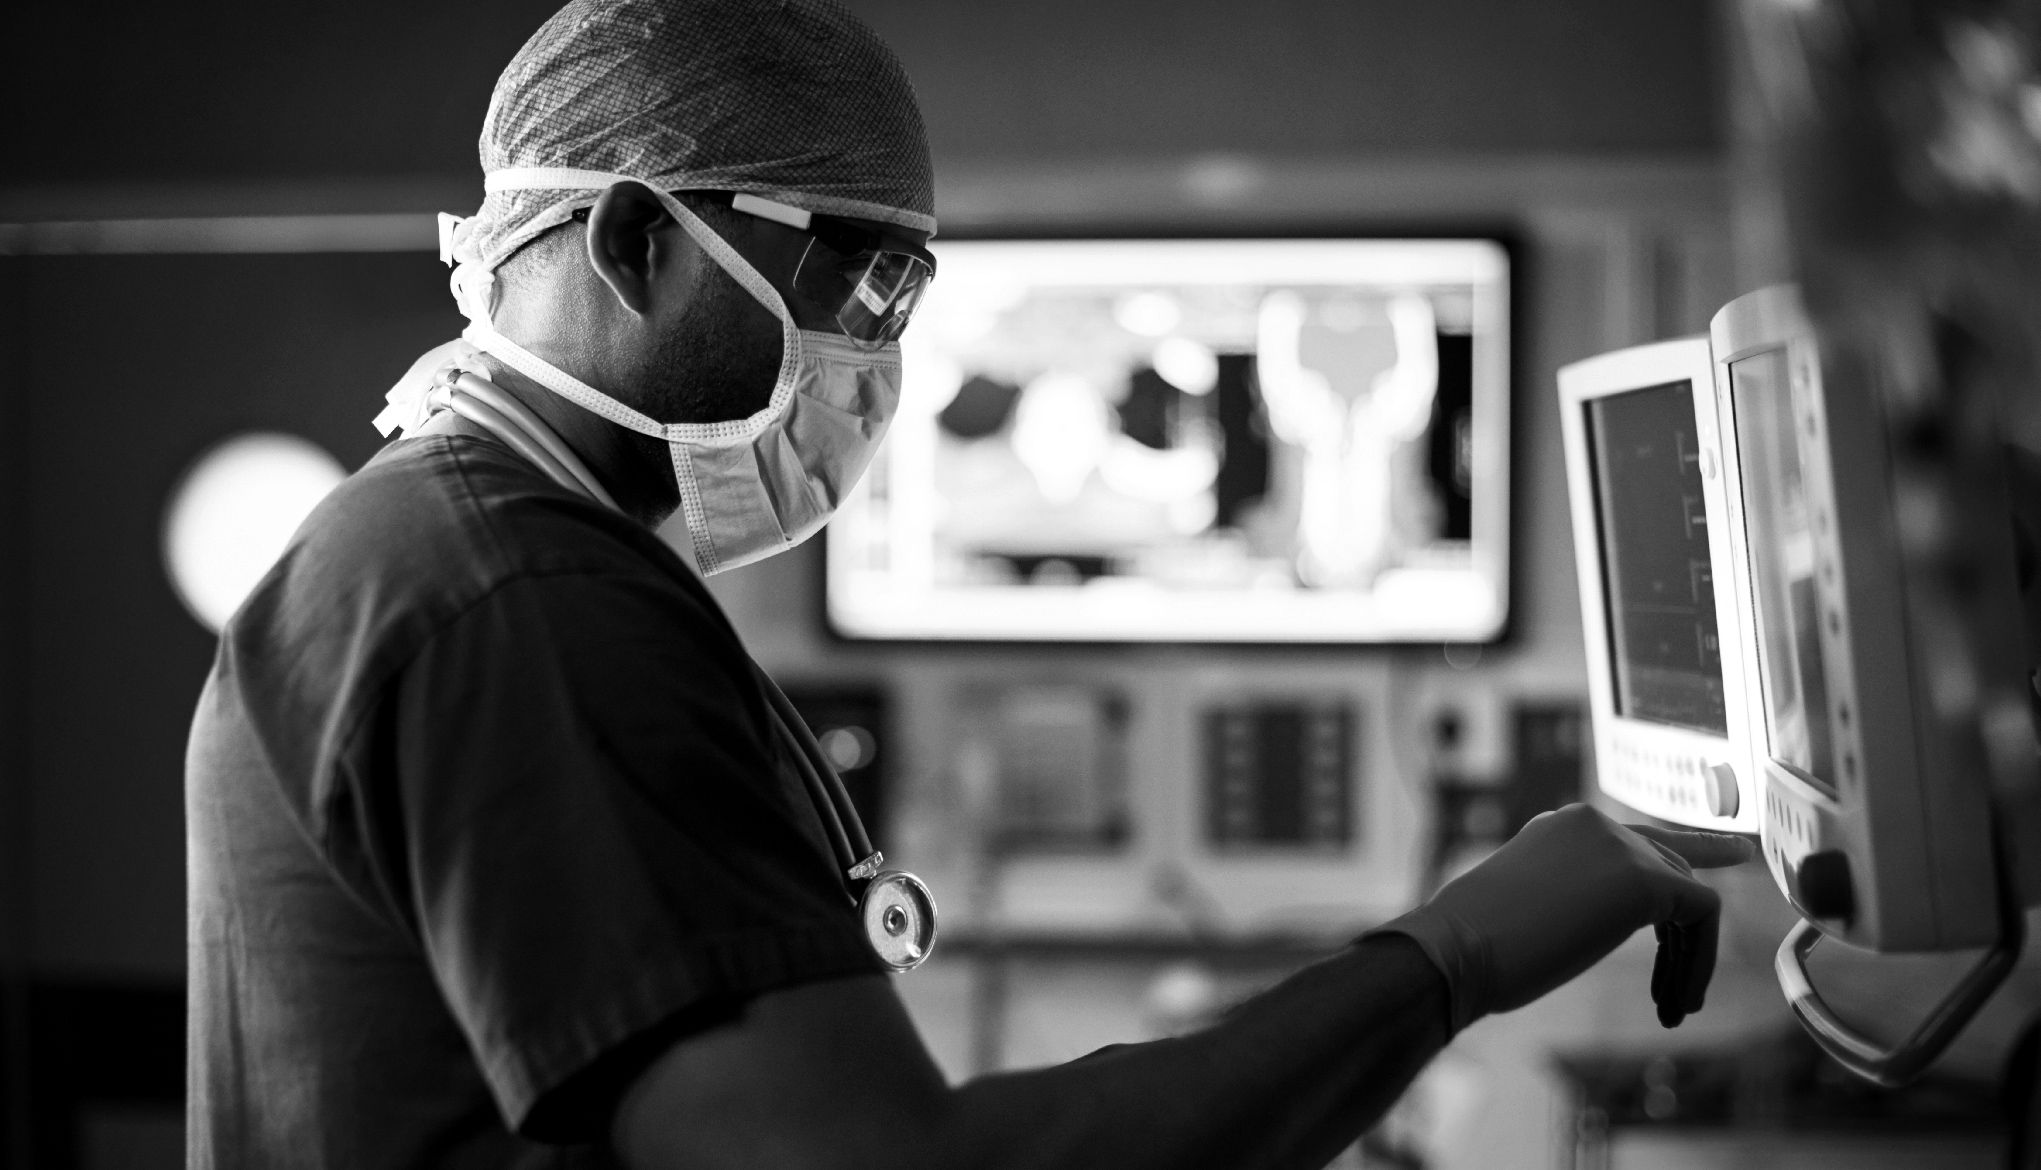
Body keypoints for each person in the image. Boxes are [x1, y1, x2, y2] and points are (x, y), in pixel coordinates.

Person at [183, 1, 1756, 1167]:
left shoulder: (433, 548)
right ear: (632, 239)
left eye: (909, 298)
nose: (880, 361)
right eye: (863, 284)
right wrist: (1456, 955)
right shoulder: (521, 602)